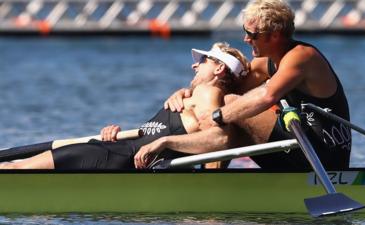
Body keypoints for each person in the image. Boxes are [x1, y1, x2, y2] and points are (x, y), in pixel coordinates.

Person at [0, 42, 250, 170]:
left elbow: (219, 140)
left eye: (203, 61)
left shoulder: (208, 92)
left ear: (219, 69)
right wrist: (114, 135)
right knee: (16, 166)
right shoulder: (192, 96)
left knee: (16, 167)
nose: (194, 65)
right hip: (116, 150)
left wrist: (164, 143)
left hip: (118, 159)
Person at [165, 0, 351, 170]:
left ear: (275, 35)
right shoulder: (266, 63)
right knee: (227, 104)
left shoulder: (303, 57)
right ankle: (207, 180)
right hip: (297, 147)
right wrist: (189, 92)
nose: (246, 39)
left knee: (229, 105)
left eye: (252, 34)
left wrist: (217, 116)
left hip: (324, 158)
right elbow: (225, 87)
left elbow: (266, 96)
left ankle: (206, 182)